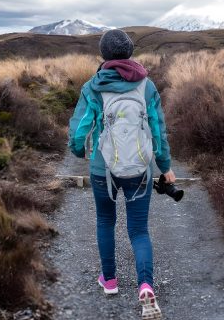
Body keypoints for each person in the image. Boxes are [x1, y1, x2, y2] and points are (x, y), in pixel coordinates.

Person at [68, 29, 175, 319]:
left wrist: (78, 152)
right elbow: (157, 131)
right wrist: (165, 167)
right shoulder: (147, 86)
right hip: (140, 169)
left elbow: (80, 129)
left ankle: (110, 281)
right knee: (139, 230)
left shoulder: (93, 86)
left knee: (105, 220)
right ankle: (145, 285)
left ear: (104, 55)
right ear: (129, 52)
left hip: (104, 169)